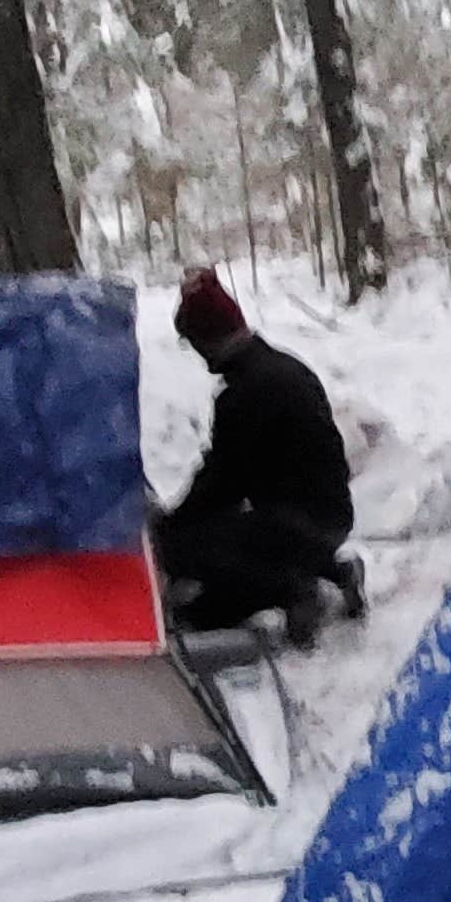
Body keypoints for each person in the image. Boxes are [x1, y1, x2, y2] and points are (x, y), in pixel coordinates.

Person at [157, 268, 365, 639]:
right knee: (230, 534)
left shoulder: (245, 393)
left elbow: (222, 482)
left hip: (296, 524)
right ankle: (332, 571)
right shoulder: (285, 367)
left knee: (192, 549)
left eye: (195, 343)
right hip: (331, 516)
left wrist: (170, 529)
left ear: (209, 339)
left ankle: (292, 591)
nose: (200, 357)